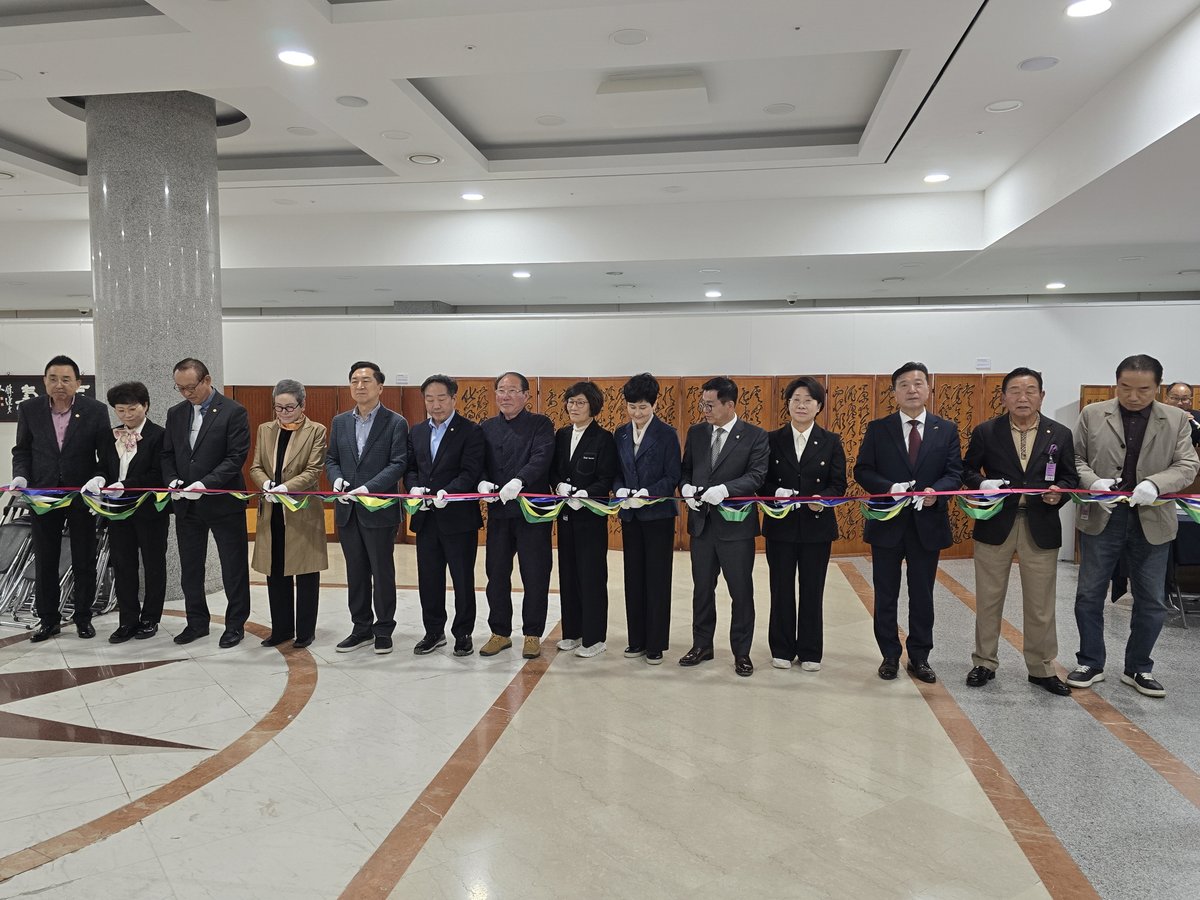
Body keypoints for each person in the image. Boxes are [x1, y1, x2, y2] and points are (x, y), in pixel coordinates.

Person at [1068, 354, 1199, 698]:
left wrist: (1156, 483)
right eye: (1125, 388)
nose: (1133, 396)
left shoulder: (1175, 419)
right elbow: (1075, 458)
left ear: (1158, 388)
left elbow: (1188, 464)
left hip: (1152, 517)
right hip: (1104, 514)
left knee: (1151, 599)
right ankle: (1090, 662)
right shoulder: (1093, 414)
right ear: (1116, 384)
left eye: (1143, 390)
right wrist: (1093, 482)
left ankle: (1139, 666)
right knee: (1089, 593)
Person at [961, 367, 1078, 696]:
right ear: (1003, 397)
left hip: (1041, 524)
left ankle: (1041, 668)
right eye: (1014, 391)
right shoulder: (987, 431)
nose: (1022, 397)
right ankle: (984, 662)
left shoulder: (1060, 434)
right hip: (995, 522)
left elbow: (1070, 477)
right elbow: (966, 469)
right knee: (988, 599)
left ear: (1042, 396)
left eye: (1030, 391)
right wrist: (982, 483)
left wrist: (1059, 493)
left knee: (1041, 603)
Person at [854, 362, 963, 684]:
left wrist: (935, 493)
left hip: (927, 525)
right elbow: (863, 470)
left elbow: (954, 473)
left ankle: (920, 656)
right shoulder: (878, 428)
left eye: (918, 383)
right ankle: (889, 655)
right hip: (887, 524)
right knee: (886, 594)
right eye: (904, 384)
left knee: (922, 595)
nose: (912, 389)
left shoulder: (946, 429)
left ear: (928, 389)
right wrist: (889, 488)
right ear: (894, 392)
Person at [8, 355, 109, 641]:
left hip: (81, 495)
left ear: (78, 383)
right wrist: (21, 476)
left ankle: (83, 617)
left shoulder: (95, 411)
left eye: (66, 379)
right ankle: (48, 620)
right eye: (53, 379)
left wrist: (99, 478)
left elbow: (105, 456)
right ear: (44, 381)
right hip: (43, 494)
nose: (59, 385)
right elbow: (22, 450)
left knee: (84, 558)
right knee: (45, 559)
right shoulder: (30, 409)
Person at [679, 376, 769, 677]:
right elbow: (686, 470)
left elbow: (757, 476)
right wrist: (686, 488)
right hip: (702, 526)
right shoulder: (697, 433)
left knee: (740, 592)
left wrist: (726, 489)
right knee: (702, 589)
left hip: (736, 528)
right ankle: (701, 645)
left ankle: (741, 652)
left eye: (710, 405)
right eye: (702, 404)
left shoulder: (755, 435)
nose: (704, 410)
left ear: (730, 405)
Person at [162, 357, 253, 648]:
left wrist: (205, 484)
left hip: (223, 503)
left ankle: (235, 625)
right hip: (186, 506)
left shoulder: (233, 411)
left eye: (191, 387)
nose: (186, 393)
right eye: (180, 388)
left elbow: (235, 457)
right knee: (191, 568)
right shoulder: (176, 413)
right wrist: (172, 480)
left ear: (207, 380)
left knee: (233, 567)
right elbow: (168, 453)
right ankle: (196, 623)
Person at [763, 376, 846, 672]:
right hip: (780, 526)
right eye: (795, 400)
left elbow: (839, 484)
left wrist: (823, 498)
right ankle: (782, 648)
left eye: (808, 400)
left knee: (813, 589)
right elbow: (761, 480)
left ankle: (811, 650)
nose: (801, 405)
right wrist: (776, 492)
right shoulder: (771, 439)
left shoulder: (831, 441)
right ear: (787, 404)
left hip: (817, 527)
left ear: (818, 406)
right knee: (781, 589)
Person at [326, 361, 409, 655]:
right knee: (356, 572)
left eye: (366, 381)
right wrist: (336, 480)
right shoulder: (340, 422)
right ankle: (360, 628)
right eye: (354, 381)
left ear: (380, 387)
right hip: (347, 510)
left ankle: (383, 629)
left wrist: (369, 488)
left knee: (381, 571)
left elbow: (398, 463)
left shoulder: (395, 422)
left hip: (379, 510)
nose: (359, 386)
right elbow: (331, 459)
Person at [405, 374, 484, 657]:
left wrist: (447, 492)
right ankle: (433, 631)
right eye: (429, 399)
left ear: (453, 399)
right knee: (429, 579)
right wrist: (414, 487)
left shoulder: (471, 431)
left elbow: (471, 472)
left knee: (462, 580)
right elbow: (410, 468)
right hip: (426, 518)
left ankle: (463, 633)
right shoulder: (417, 431)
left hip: (458, 519)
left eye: (441, 398)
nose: (435, 405)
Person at [477, 371, 555, 659]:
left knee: (535, 574)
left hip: (532, 513)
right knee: (496, 573)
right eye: (501, 390)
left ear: (526, 395)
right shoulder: (487, 427)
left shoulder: (540, 424)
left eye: (512, 390)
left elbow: (542, 457)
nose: (506, 396)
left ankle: (532, 634)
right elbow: (478, 461)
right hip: (499, 513)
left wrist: (520, 480)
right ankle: (500, 632)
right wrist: (482, 481)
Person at [249, 379, 328, 649]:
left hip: (301, 510)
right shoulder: (265, 429)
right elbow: (256, 466)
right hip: (272, 509)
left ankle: (305, 631)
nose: (283, 413)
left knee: (306, 571)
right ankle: (281, 629)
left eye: (289, 407)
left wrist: (286, 487)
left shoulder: (316, 430)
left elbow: (313, 470)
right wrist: (266, 484)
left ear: (302, 405)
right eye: (278, 408)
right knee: (276, 569)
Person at [613, 373, 680, 665]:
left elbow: (673, 476)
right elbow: (616, 471)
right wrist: (620, 489)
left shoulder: (667, 434)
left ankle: (655, 643)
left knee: (657, 578)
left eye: (642, 407)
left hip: (658, 516)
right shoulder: (620, 433)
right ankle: (636, 639)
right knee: (633, 577)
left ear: (654, 405)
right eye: (632, 407)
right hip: (630, 514)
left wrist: (648, 493)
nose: (637, 413)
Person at [552, 381, 618, 658]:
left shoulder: (603, 438)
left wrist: (586, 493)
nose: (574, 407)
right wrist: (559, 485)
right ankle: (572, 632)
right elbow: (553, 470)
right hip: (566, 515)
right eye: (570, 402)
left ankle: (594, 638)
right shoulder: (562, 434)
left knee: (591, 577)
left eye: (580, 402)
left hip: (590, 517)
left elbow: (607, 477)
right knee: (568, 575)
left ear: (593, 406)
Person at [101, 381, 170, 643]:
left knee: (153, 565)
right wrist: (99, 478)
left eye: (132, 409)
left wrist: (126, 485)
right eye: (121, 410)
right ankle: (127, 620)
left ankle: (150, 618)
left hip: (150, 512)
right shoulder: (110, 435)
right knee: (123, 565)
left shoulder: (159, 435)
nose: (127, 415)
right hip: (118, 512)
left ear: (146, 406)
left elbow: (158, 475)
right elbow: (103, 466)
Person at [1164, 381, 1200, 447]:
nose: (1180, 403)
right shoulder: (1157, 415)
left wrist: (1190, 424)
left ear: (1190, 401)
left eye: (1184, 399)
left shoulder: (1197, 417)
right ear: (1166, 399)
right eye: (1175, 398)